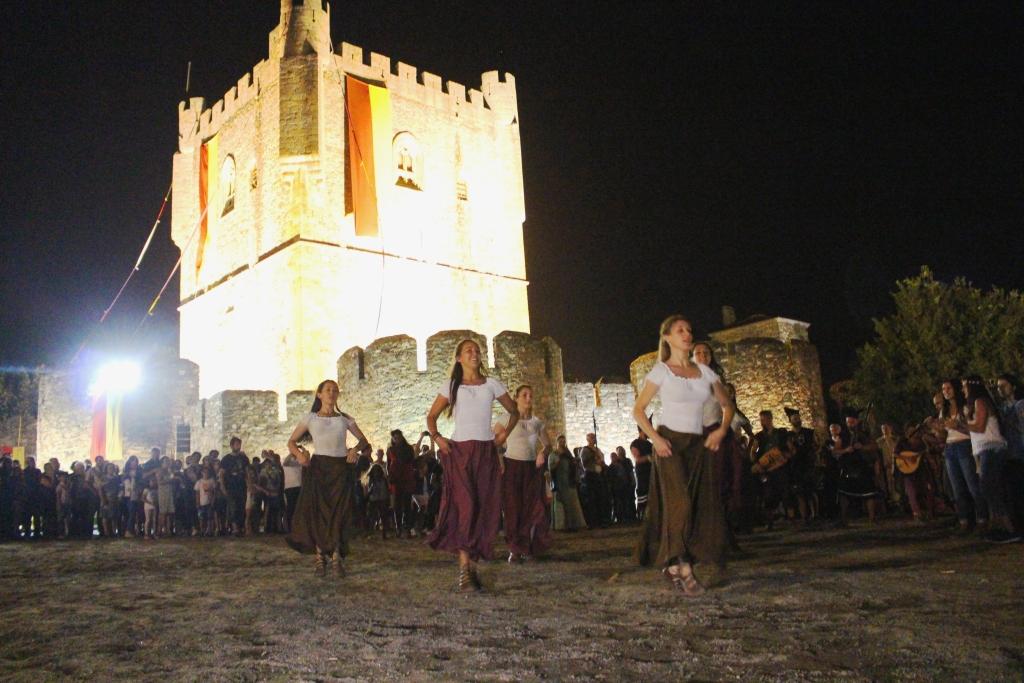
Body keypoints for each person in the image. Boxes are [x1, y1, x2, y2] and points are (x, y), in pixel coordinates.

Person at [633, 315, 734, 596]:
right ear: (667, 337)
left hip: (697, 445)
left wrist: (722, 431)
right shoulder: (662, 371)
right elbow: (639, 410)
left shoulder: (706, 373)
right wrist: (655, 439)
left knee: (700, 505)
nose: (687, 334)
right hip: (670, 444)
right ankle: (683, 564)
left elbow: (727, 406)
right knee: (681, 504)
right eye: (680, 331)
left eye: (689, 330)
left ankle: (675, 562)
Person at [426, 338, 519, 592]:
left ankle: (473, 567)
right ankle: (464, 568)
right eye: (468, 350)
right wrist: (437, 438)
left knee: (484, 507)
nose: (474, 353)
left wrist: (503, 435)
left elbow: (514, 412)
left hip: (486, 451)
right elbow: (431, 416)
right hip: (460, 451)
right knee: (465, 506)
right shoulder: (452, 385)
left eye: (477, 350)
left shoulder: (491, 384)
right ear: (459, 358)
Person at [286, 379, 369, 577]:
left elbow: (364, 441)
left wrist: (354, 450)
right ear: (319, 394)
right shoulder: (311, 418)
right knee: (319, 513)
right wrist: (299, 455)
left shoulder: (345, 419)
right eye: (328, 390)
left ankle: (336, 557)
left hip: (340, 469)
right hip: (318, 469)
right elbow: (291, 441)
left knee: (339, 513)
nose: (332, 393)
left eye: (335, 390)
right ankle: (319, 557)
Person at [494, 384, 552, 562]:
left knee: (532, 508)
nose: (528, 399)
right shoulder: (505, 419)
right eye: (524, 395)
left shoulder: (536, 422)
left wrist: (543, 453)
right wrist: (500, 461)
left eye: (530, 395)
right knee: (513, 508)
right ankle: (514, 548)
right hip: (512, 467)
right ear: (516, 398)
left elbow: (548, 445)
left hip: (531, 469)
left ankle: (527, 545)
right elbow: (494, 442)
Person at [962, 376, 1020, 543]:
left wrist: (960, 424)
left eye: (964, 386)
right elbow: (975, 432)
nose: (963, 390)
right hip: (983, 450)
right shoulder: (974, 405)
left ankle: (1009, 528)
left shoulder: (980, 401)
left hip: (992, 449)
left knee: (989, 488)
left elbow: (980, 426)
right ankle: (1003, 527)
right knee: (989, 488)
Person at [939, 380, 986, 533]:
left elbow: (972, 431)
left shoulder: (965, 407)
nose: (946, 391)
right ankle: (964, 521)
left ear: (956, 389)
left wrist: (957, 425)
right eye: (943, 389)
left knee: (972, 485)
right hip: (950, 448)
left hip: (964, 445)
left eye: (948, 388)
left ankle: (982, 519)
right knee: (957, 488)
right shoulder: (944, 411)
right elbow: (944, 434)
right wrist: (937, 429)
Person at [830, 416, 882, 526]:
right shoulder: (842, 436)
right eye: (849, 422)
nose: (851, 424)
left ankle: (872, 518)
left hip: (863, 466)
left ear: (857, 421)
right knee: (844, 493)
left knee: (869, 493)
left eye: (853, 422)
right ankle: (844, 520)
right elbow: (835, 452)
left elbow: (874, 446)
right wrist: (845, 450)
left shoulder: (864, 434)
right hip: (848, 467)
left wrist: (862, 447)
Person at [749, 411, 792, 529]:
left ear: (770, 419)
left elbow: (790, 448)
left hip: (780, 467)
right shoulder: (759, 436)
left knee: (786, 493)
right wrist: (757, 462)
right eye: (761, 420)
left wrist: (786, 455)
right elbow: (753, 452)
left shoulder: (781, 433)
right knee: (768, 495)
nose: (762, 422)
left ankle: (792, 520)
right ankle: (770, 523)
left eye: (764, 419)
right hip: (767, 470)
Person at [549, 435, 586, 531]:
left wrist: (575, 463)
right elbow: (550, 468)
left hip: (569, 480)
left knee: (571, 503)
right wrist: (556, 463)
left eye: (563, 441)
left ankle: (572, 524)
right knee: (562, 504)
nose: (562, 443)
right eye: (560, 441)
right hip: (559, 481)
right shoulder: (553, 454)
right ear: (557, 442)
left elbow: (573, 465)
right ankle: (562, 525)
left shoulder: (568, 455)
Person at [386, 430, 418, 537]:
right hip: (396, 479)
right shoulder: (390, 450)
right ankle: (398, 528)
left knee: (407, 505)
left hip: (406, 478)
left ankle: (407, 528)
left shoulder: (408, 449)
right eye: (395, 438)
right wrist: (390, 477)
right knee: (397, 505)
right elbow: (388, 465)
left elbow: (412, 462)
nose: (397, 439)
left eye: (398, 437)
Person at [219, 438, 248, 536]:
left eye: (239, 444)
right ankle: (235, 528)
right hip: (231, 486)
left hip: (242, 486)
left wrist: (249, 485)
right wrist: (222, 486)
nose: (238, 446)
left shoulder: (244, 458)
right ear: (231, 446)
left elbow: (247, 472)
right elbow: (221, 473)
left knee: (241, 506)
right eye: (236, 444)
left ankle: (240, 527)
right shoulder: (226, 459)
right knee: (233, 506)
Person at [630, 428, 653, 521]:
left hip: (651, 472)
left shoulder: (650, 444)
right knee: (643, 492)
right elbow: (637, 459)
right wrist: (649, 457)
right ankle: (642, 516)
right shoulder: (635, 443)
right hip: (642, 473)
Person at [282, 451, 303, 533]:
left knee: (297, 507)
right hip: (290, 487)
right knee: (291, 507)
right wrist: (293, 452)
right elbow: (285, 462)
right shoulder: (287, 461)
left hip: (299, 487)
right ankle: (289, 527)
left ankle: (296, 527)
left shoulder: (299, 462)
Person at [195, 466, 218, 537]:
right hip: (202, 502)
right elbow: (197, 493)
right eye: (204, 472)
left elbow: (214, 492)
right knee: (202, 517)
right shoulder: (199, 482)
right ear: (202, 473)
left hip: (210, 502)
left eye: (207, 472)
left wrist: (213, 500)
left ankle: (209, 530)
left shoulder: (212, 481)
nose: (206, 473)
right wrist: (197, 502)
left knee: (210, 517)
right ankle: (202, 530)